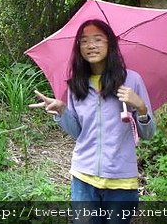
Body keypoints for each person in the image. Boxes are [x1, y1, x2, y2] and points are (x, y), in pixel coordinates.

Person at [29, 19, 155, 223]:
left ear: (110, 44)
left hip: (121, 182)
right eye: (84, 41)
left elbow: (148, 134)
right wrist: (61, 110)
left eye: (98, 39)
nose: (91, 45)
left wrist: (140, 107)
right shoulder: (76, 85)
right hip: (84, 178)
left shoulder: (131, 80)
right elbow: (79, 133)